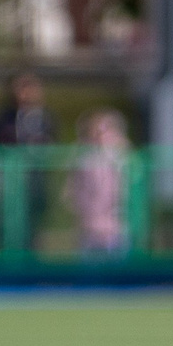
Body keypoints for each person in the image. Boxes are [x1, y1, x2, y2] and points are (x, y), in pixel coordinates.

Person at [0, 70, 56, 252]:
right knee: (6, 224)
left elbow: (51, 143)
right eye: (21, 88)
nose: (25, 93)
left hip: (34, 179)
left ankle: (32, 262)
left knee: (32, 225)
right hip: (7, 181)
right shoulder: (3, 117)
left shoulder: (44, 117)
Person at [68, 109, 131, 257]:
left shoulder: (123, 159)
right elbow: (74, 192)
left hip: (116, 228)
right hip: (90, 228)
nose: (100, 136)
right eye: (96, 131)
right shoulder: (84, 160)